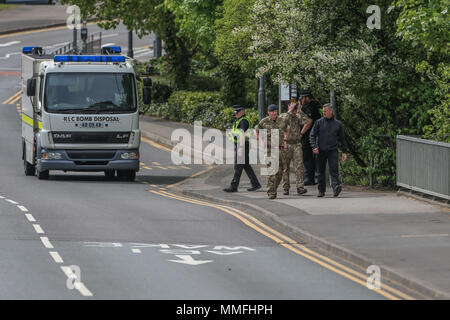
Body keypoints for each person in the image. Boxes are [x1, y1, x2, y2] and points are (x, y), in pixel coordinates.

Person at [309, 103, 348, 197]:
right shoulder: (318, 122)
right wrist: (314, 146)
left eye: (326, 111)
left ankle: (336, 187)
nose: (324, 113)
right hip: (320, 150)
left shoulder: (338, 124)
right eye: (323, 112)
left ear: (331, 111)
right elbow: (312, 135)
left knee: (334, 169)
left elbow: (342, 139)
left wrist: (344, 151)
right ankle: (321, 190)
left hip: (333, 150)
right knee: (320, 171)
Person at [224, 105, 261, 192]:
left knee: (238, 166)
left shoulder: (243, 121)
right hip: (243, 145)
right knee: (246, 166)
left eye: (238, 111)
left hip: (243, 146)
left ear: (243, 111)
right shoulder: (240, 120)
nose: (236, 113)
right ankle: (256, 184)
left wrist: (240, 148)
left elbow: (243, 135)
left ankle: (233, 187)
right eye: (235, 112)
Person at [255, 104, 289, 199]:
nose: (274, 113)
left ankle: (274, 187)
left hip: (280, 149)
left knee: (280, 171)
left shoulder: (282, 121)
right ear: (268, 112)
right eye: (272, 111)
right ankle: (271, 192)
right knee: (271, 171)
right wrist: (261, 141)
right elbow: (256, 130)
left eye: (275, 111)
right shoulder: (264, 121)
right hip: (269, 149)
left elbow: (287, 130)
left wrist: (285, 140)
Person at [279, 101, 312, 195]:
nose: (294, 109)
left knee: (299, 166)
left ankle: (300, 187)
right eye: (292, 106)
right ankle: (286, 187)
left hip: (297, 144)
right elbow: (281, 123)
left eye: (295, 106)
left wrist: (299, 110)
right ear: (288, 106)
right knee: (286, 167)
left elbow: (307, 121)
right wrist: (290, 111)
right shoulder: (284, 115)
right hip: (286, 144)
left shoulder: (298, 116)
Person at [298, 89, 321, 185]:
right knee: (310, 157)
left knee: (307, 157)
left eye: (302, 98)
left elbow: (309, 121)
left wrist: (301, 133)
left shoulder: (310, 107)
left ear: (306, 97)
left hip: (309, 136)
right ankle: (311, 177)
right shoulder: (309, 106)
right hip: (312, 135)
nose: (301, 100)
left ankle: (309, 178)